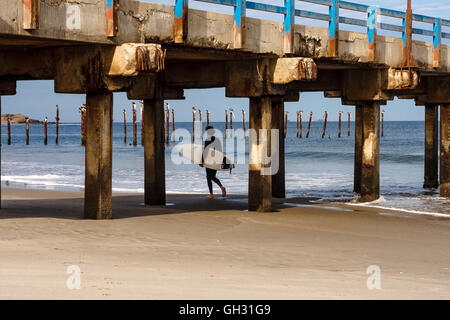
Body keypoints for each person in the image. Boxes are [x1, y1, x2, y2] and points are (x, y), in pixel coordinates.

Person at [200, 126, 226, 199]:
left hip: (209, 160)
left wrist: (201, 161)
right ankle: (221, 187)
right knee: (213, 176)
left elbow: (205, 152)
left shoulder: (207, 140)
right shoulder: (217, 140)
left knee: (209, 177)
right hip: (217, 160)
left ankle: (211, 194)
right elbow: (220, 151)